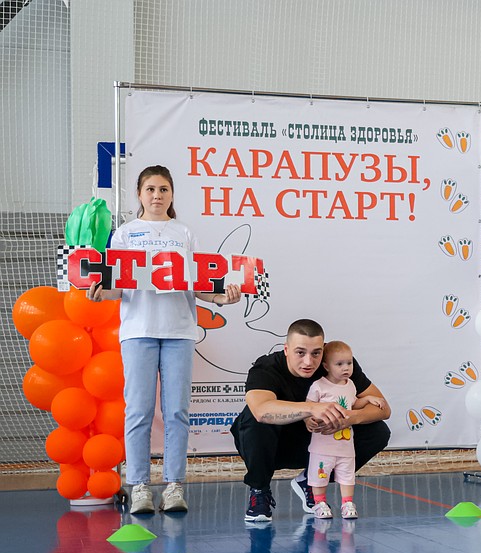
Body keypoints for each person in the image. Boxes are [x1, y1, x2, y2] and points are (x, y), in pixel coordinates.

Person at [86, 165, 241, 515]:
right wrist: (100, 294)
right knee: (139, 411)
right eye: (151, 189)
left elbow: (199, 284)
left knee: (176, 412)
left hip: (179, 332)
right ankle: (139, 486)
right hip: (138, 332)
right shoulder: (126, 233)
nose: (157, 195)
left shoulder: (184, 233)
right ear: (139, 194)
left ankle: (174, 487)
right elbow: (118, 285)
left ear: (172, 195)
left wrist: (221, 298)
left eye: (164, 189)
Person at [230, 319, 392, 522]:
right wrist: (312, 408)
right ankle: (259, 491)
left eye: (316, 353)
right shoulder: (267, 367)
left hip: (320, 443)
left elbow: (383, 408)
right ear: (286, 349)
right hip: (274, 447)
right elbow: (261, 410)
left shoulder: (335, 363)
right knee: (254, 420)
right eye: (300, 353)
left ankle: (311, 481)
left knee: (378, 431)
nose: (308, 362)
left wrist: (349, 418)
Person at [304, 341, 386, 520]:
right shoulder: (319, 386)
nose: (346, 368)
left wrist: (368, 399)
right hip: (323, 447)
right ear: (326, 366)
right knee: (320, 476)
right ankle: (319, 503)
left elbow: (354, 404)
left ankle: (347, 503)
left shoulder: (350, 385)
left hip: (346, 446)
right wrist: (307, 420)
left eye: (349, 363)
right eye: (339, 364)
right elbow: (308, 407)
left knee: (348, 476)